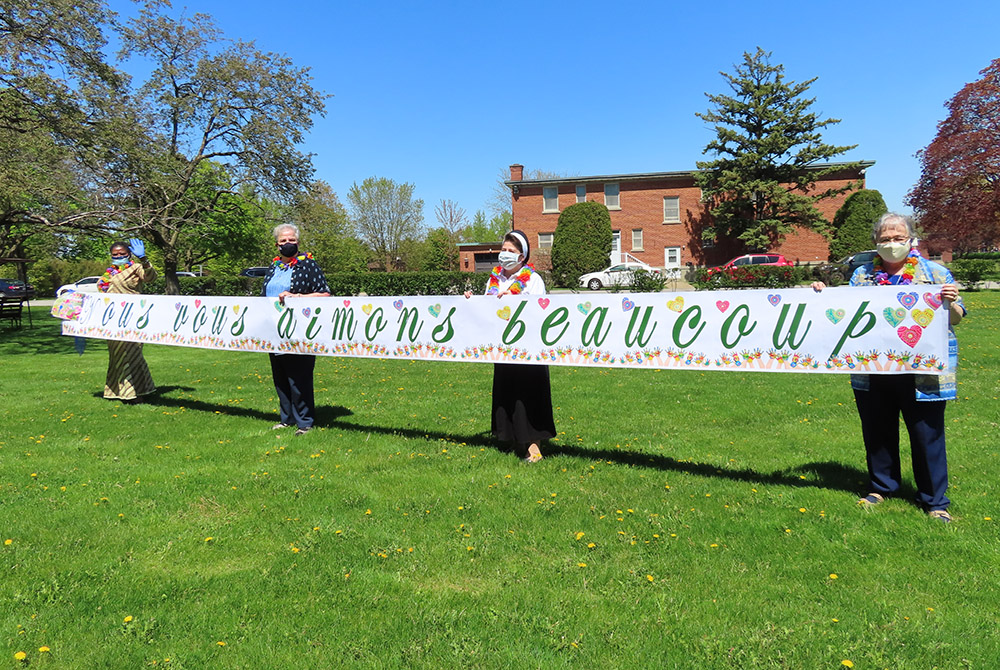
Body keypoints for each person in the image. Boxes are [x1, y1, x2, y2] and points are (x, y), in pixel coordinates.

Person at [812, 212, 966, 522]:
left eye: (898, 238)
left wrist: (951, 303)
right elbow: (845, 313)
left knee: (927, 434)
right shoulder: (862, 276)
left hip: (923, 371)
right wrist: (821, 295)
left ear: (911, 241)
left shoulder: (935, 274)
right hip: (875, 367)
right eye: (885, 239)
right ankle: (882, 486)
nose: (892, 244)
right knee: (877, 429)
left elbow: (957, 317)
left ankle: (935, 500)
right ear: (875, 243)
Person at [465, 230, 555, 462]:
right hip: (503, 348)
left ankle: (534, 446)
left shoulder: (532, 280)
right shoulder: (494, 280)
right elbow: (486, 310)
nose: (505, 254)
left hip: (528, 349)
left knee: (530, 395)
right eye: (503, 250)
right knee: (508, 393)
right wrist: (470, 301)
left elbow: (539, 312)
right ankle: (512, 439)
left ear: (522, 257)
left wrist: (514, 299)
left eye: (511, 251)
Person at [262, 223, 330, 435]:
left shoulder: (308, 265)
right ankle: (287, 418)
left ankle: (305, 422)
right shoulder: (273, 267)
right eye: (283, 241)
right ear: (277, 245)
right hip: (274, 330)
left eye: (291, 240)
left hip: (301, 329)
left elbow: (325, 293)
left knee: (299, 377)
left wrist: (298, 297)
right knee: (280, 377)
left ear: (298, 242)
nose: (288, 243)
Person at [101, 239, 157, 403]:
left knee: (132, 354)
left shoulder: (136, 268)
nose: (118, 256)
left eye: (122, 254)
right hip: (112, 319)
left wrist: (144, 259)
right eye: (115, 254)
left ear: (129, 254)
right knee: (116, 355)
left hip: (132, 317)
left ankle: (136, 392)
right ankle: (115, 390)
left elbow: (151, 277)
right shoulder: (109, 273)